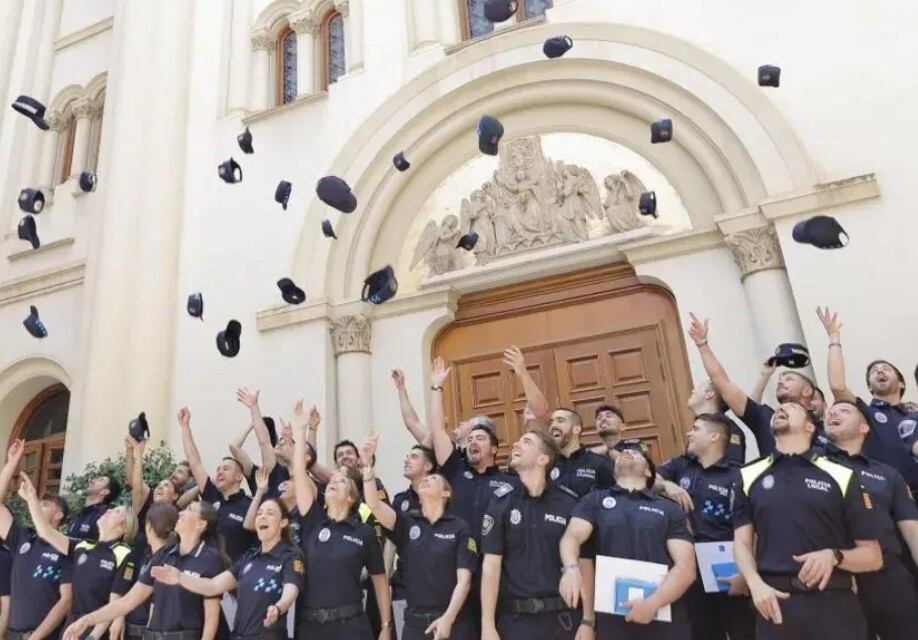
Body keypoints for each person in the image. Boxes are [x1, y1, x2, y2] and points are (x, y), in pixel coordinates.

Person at [731, 402, 882, 639]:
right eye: (779, 407)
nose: (781, 409)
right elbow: (741, 543)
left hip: (833, 603)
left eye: (792, 407)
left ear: (810, 426)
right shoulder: (747, 474)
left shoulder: (842, 474)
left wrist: (834, 556)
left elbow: (873, 556)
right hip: (774, 603)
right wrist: (754, 584)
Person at [559, 443, 696, 639]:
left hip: (664, 616)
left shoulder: (670, 508)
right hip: (612, 620)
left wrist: (652, 603)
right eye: (623, 452)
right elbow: (572, 537)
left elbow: (686, 568)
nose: (627, 452)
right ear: (614, 473)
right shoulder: (594, 500)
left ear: (648, 471)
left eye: (635, 453)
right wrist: (570, 569)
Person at [289, 400, 392, 639]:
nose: (334, 481)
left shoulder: (363, 531)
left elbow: (379, 579)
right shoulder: (312, 520)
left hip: (351, 627)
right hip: (311, 628)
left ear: (350, 498)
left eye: (341, 482)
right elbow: (300, 472)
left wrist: (386, 626)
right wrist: (300, 431)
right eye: (332, 480)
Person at [360, 434, 477, 640]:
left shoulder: (460, 528)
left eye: (433, 478)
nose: (427, 481)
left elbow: (464, 581)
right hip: (415, 625)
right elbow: (374, 505)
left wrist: (447, 619)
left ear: (446, 494)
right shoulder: (408, 524)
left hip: (453, 623)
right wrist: (368, 468)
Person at [482, 430, 594, 640]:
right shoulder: (500, 503)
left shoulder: (569, 503)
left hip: (563, 620)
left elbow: (585, 562)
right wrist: (487, 626)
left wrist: (588, 620)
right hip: (516, 622)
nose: (515, 444)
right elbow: (491, 566)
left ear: (543, 459)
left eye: (526, 442)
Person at [821, 400, 918, 639]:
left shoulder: (887, 474)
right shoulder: (813, 467)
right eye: (831, 411)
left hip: (889, 578)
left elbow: (912, 531)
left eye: (844, 410)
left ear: (864, 427)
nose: (833, 412)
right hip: (836, 577)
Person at [63, 501, 229, 640]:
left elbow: (211, 616)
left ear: (201, 524)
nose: (181, 513)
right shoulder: (164, 555)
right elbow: (128, 601)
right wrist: (88, 620)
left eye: (190, 510)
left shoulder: (209, 558)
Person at [151, 495, 304, 640]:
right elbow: (213, 586)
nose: (262, 517)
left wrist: (278, 608)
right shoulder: (249, 557)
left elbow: (291, 591)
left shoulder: (290, 556)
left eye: (270, 513)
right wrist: (179, 577)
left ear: (283, 522)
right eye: (259, 513)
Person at [657, 413, 754, 640]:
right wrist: (667, 485)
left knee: (744, 631)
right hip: (688, 570)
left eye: (696, 429)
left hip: (729, 570)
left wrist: (747, 574)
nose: (689, 433)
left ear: (714, 436)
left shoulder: (738, 475)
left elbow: (752, 526)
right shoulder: (681, 465)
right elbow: (647, 479)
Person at [18, 472, 137, 640]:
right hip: (72, 627)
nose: (109, 511)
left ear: (124, 528)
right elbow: (45, 531)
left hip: (97, 630)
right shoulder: (82, 545)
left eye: (117, 512)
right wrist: (31, 499)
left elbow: (115, 603)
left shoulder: (123, 553)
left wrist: (94, 636)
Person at [688, 313, 824, 455]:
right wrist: (702, 344)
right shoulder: (767, 418)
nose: (781, 382)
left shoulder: (826, 429)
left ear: (807, 390)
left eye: (789, 379)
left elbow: (838, 387)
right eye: (779, 380)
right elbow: (721, 381)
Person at [818, 306, 918, 494]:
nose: (880, 371)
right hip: (890, 496)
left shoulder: (914, 414)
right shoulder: (865, 413)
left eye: (886, 368)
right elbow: (838, 386)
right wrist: (833, 338)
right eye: (874, 371)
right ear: (870, 388)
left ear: (902, 384)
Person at [428, 357, 518, 544]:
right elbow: (437, 431)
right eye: (470, 439)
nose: (473, 442)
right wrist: (436, 387)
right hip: (457, 561)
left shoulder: (510, 483)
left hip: (496, 562)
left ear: (494, 449)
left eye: (480, 438)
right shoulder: (455, 470)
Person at [0, 440, 72, 640]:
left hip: (43, 636)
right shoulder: (23, 538)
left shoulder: (65, 547)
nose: (38, 506)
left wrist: (35, 637)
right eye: (37, 502)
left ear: (58, 515)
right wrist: (12, 462)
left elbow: (66, 600)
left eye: (46, 504)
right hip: (13, 634)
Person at [178, 406, 256, 561]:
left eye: (226, 469)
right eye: (218, 469)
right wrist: (185, 427)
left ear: (239, 476)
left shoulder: (250, 505)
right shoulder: (211, 495)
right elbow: (195, 463)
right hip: (201, 569)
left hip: (231, 576)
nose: (219, 472)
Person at [387, 444, 437, 636]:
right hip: (405, 583)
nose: (407, 460)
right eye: (407, 456)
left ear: (428, 466)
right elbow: (391, 541)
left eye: (414, 457)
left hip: (435, 582)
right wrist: (386, 579)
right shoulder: (400, 500)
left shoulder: (441, 497)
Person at [122, 504, 179, 640]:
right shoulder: (149, 555)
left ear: (148, 527)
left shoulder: (166, 557)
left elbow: (157, 601)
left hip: (150, 631)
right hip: (137, 627)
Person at [125, 435, 180, 556]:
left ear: (175, 495)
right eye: (159, 485)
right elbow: (134, 481)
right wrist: (131, 451)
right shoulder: (145, 503)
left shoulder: (179, 516)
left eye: (166, 485)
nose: (160, 487)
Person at [547, 408, 614, 497]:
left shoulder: (599, 463)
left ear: (576, 429)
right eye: (551, 422)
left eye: (560, 421)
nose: (553, 425)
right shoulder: (546, 465)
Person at [687, 378, 746, 464]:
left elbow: (732, 470)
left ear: (709, 394)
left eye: (699, 387)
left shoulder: (729, 430)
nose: (693, 391)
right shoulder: (696, 431)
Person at [68, 473, 121, 541]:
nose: (92, 480)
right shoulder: (79, 514)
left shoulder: (103, 517)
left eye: (100, 480)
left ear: (104, 491)